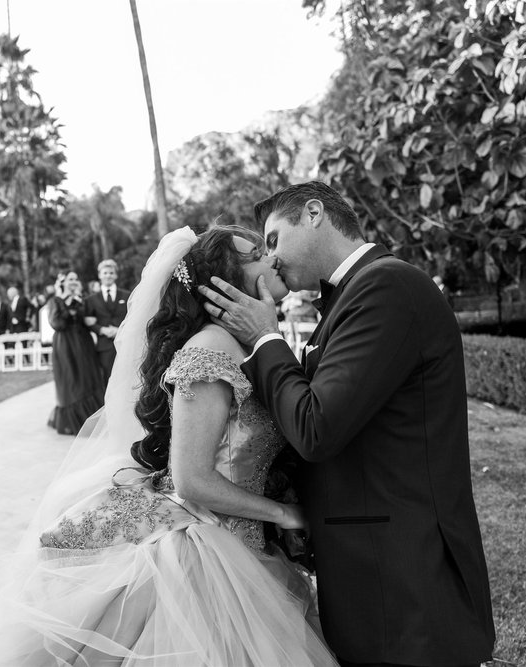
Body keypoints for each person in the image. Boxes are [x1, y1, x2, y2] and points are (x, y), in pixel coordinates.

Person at [0, 226, 337, 666]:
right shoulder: (211, 349)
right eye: (257, 253)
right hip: (206, 550)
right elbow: (193, 479)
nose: (272, 258)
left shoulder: (247, 343)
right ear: (224, 283)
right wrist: (284, 513)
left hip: (245, 544)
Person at [200, 182, 495, 667]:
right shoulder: (349, 296)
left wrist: (265, 339)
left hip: (404, 575)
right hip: (371, 565)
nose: (270, 261)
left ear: (314, 213)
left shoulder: (386, 286)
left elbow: (317, 427)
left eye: (273, 239)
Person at [45, 272, 105, 435]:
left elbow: (88, 320)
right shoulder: (55, 301)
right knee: (71, 379)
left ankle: (91, 419)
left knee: (88, 376)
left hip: (83, 343)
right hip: (65, 345)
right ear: (63, 283)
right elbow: (57, 323)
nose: (74, 282)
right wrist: (69, 305)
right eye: (70, 279)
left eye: (76, 279)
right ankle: (73, 421)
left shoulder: (81, 300)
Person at [83, 258, 130, 387]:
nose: (108, 275)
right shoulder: (91, 300)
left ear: (115, 275)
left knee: (126, 378)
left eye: (111, 272)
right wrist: (101, 330)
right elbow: (88, 322)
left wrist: (120, 330)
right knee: (107, 381)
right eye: (105, 273)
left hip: (125, 344)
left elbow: (132, 317)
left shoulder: (127, 296)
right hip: (104, 347)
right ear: (99, 275)